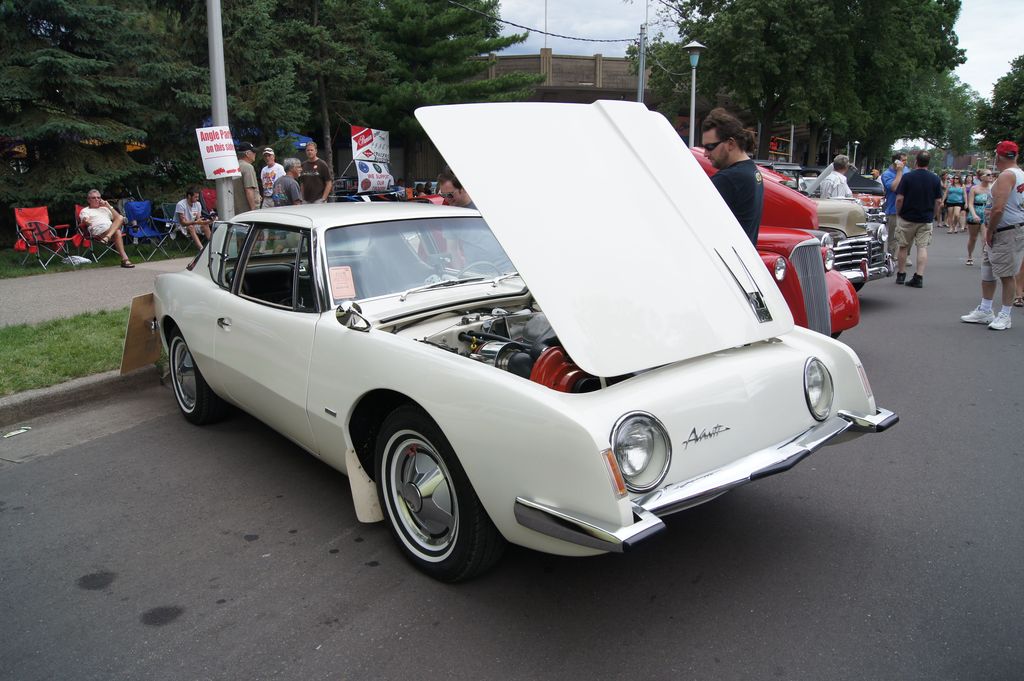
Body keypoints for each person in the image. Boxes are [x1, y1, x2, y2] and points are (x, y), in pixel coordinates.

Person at [960, 141, 1024, 330]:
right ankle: (986, 309)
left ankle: (1005, 314)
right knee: (988, 269)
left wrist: (991, 230)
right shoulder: (1018, 174)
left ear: (998, 156)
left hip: (1005, 230)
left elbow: (998, 208)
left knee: (1006, 274)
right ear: (1016, 155)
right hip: (1007, 228)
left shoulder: (1007, 175)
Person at [701, 107, 763, 244]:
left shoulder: (728, 179)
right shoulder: (752, 171)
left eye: (710, 147)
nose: (705, 153)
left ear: (730, 143)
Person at [894, 150, 943, 288]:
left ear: (916, 161)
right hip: (925, 218)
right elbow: (938, 201)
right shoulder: (935, 179)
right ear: (928, 162)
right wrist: (933, 214)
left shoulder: (907, 177)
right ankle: (919, 276)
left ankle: (901, 274)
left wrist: (899, 212)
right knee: (922, 247)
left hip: (907, 217)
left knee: (903, 246)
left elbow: (899, 198)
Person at [78, 189, 134, 268]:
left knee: (120, 219)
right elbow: (85, 219)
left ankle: (107, 238)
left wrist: (108, 206)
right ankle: (125, 259)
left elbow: (118, 218)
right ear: (88, 200)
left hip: (110, 231)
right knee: (117, 231)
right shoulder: (85, 210)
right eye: (94, 198)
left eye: (98, 198)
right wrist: (86, 221)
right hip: (98, 231)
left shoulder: (105, 209)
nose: (97, 199)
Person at [881, 153, 908, 264]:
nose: (905, 163)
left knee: (906, 236)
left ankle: (904, 256)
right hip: (893, 209)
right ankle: (891, 257)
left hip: (907, 209)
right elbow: (894, 187)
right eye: (903, 160)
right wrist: (899, 172)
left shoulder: (907, 171)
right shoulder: (886, 174)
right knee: (894, 236)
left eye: (906, 160)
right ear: (896, 162)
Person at [965, 169, 993, 265]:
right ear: (981, 177)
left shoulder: (993, 188)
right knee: (973, 238)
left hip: (987, 215)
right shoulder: (974, 188)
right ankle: (969, 256)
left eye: (991, 174)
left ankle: (984, 259)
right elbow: (970, 203)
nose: (990, 176)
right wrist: (974, 214)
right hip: (975, 213)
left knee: (985, 239)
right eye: (988, 174)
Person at [233, 141, 259, 216]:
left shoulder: (233, 167)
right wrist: (253, 210)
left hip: (235, 211)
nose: (255, 154)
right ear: (247, 154)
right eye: (253, 152)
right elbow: (249, 190)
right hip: (246, 211)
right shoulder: (248, 167)